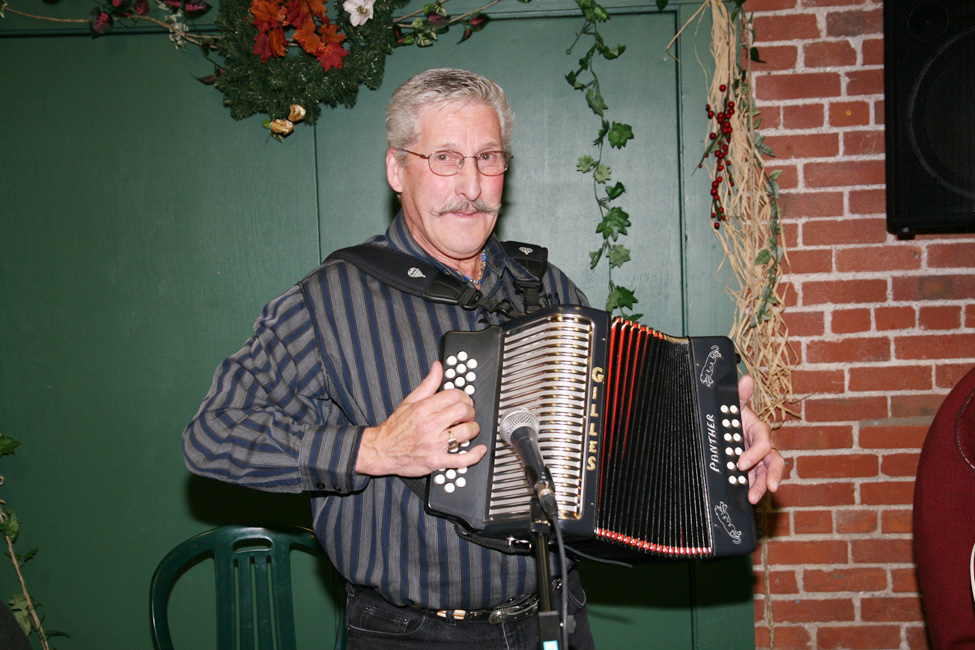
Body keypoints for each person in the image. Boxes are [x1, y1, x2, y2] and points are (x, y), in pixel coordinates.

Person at [182, 67, 785, 649]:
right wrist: (376, 450)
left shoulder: (546, 286)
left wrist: (716, 442)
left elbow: (617, 428)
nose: (470, 186)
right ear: (397, 169)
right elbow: (212, 437)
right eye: (444, 158)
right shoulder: (327, 300)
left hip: (556, 619)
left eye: (488, 159)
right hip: (409, 635)